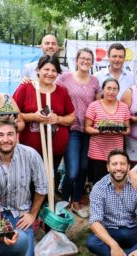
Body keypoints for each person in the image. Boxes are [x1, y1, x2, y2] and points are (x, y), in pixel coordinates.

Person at [0, 116, 48, 256]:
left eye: (10, 134)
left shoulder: (30, 154)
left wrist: (32, 214)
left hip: (20, 213)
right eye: (0, 135)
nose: (6, 139)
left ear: (17, 136)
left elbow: (42, 187)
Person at [86, 149, 137, 256]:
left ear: (128, 167)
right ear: (108, 167)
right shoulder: (99, 188)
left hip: (132, 229)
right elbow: (94, 221)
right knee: (92, 242)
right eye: (114, 164)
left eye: (122, 164)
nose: (118, 168)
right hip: (110, 230)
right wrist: (113, 245)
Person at [14, 55, 75, 182]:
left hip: (55, 150)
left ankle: (48, 201)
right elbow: (14, 114)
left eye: (54, 70)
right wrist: (32, 116)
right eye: (46, 69)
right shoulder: (26, 87)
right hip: (31, 150)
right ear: (38, 70)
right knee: (30, 182)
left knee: (48, 182)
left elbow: (71, 117)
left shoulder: (62, 91)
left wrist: (58, 119)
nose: (50, 73)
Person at [56, 48, 101, 218]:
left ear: (92, 62)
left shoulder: (95, 81)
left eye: (88, 59)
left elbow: (98, 104)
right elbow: (55, 93)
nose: (85, 61)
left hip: (88, 130)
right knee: (72, 170)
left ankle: (75, 202)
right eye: (82, 58)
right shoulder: (65, 77)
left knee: (83, 169)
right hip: (71, 129)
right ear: (77, 60)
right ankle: (63, 203)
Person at [85, 78, 131, 184]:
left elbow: (128, 130)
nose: (111, 92)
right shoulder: (94, 106)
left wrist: (119, 131)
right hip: (97, 152)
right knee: (98, 183)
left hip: (116, 152)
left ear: (118, 91)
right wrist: (100, 131)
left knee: (115, 182)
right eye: (108, 88)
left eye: (114, 89)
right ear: (102, 90)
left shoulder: (123, 107)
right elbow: (87, 128)